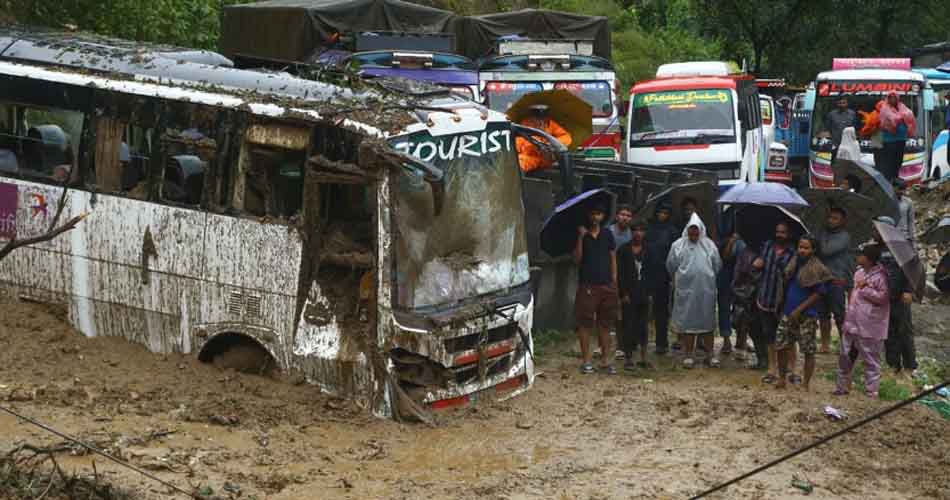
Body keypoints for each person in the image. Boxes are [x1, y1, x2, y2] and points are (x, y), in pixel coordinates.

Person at [775, 236, 832, 391]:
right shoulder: (793, 264)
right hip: (788, 312)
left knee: (808, 349)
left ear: (813, 250)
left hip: (807, 315)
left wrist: (799, 310)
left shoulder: (817, 268)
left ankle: (806, 383)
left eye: (806, 248)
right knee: (781, 345)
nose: (802, 250)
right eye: (800, 247)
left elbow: (818, 294)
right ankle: (781, 379)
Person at [666, 213, 722, 368]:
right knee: (688, 324)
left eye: (696, 232)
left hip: (706, 291)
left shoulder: (709, 245)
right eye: (691, 232)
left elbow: (717, 265)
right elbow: (671, 265)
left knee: (708, 323)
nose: (694, 235)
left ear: (701, 231)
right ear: (687, 230)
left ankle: (710, 354)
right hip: (686, 290)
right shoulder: (677, 245)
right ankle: (688, 354)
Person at [835, 244, 890, 397]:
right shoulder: (858, 273)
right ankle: (841, 386)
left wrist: (865, 288)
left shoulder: (881, 276)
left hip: (870, 324)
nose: (857, 257)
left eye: (860, 255)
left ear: (868, 258)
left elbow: (883, 298)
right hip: (852, 321)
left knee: (871, 358)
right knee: (844, 354)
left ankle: (871, 391)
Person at [573, 204, 618, 374]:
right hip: (588, 285)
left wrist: (614, 281)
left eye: (598, 213)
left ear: (603, 216)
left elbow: (612, 258)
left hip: (606, 285)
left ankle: (606, 360)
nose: (595, 217)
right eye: (592, 213)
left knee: (605, 324)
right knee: (585, 323)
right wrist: (580, 237)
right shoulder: (582, 235)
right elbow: (577, 260)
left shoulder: (607, 234)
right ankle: (586, 360)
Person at [873, 217, 918, 375]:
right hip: (885, 296)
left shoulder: (902, 247)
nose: (874, 232)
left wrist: (908, 290)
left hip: (901, 296)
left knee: (904, 330)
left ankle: (909, 366)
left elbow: (913, 269)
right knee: (888, 331)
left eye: (877, 229)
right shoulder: (876, 249)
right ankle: (893, 365)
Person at [753, 222, 796, 383]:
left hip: (784, 301)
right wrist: (757, 263)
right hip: (765, 297)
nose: (780, 234)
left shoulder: (794, 252)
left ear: (789, 234)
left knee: (788, 336)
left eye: (783, 232)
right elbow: (759, 265)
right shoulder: (767, 246)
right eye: (778, 231)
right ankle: (772, 368)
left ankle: (792, 369)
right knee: (769, 335)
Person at [815, 206, 853, 354]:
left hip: (836, 280)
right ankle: (825, 344)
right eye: (829, 217)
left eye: (835, 218)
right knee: (822, 314)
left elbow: (825, 251)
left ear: (843, 221)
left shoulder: (844, 236)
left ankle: (844, 344)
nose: (831, 221)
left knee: (839, 314)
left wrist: (821, 237)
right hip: (821, 279)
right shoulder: (823, 233)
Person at [644, 200, 677, 355]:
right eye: (659, 212)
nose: (661, 215)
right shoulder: (648, 228)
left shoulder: (672, 231)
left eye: (665, 213)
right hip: (646, 272)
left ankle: (661, 343)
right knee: (641, 308)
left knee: (661, 311)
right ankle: (640, 341)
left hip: (664, 275)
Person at [618, 222, 651, 370]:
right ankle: (628, 358)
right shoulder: (624, 250)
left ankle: (644, 357)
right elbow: (620, 274)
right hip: (629, 293)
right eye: (635, 230)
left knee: (643, 325)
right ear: (631, 232)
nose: (638, 233)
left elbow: (654, 271)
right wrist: (623, 293)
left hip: (644, 292)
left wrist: (651, 292)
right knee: (628, 325)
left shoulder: (649, 250)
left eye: (641, 230)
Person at [516, 104, 572, 173]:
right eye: (537, 118)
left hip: (544, 158)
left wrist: (552, 144)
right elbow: (518, 142)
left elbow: (566, 137)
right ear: (531, 117)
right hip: (528, 155)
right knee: (518, 161)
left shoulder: (551, 125)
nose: (540, 121)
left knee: (521, 162)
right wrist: (534, 147)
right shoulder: (524, 125)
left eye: (542, 118)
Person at [718, 221, 746, 354]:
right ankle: (726, 340)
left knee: (742, 308)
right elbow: (725, 256)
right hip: (726, 274)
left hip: (743, 276)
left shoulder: (748, 237)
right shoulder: (724, 232)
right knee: (724, 306)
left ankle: (742, 340)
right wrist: (732, 241)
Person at [731, 239, 760, 363]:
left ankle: (761, 353)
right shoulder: (744, 251)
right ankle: (740, 345)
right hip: (743, 290)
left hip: (759, 292)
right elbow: (739, 273)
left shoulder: (766, 250)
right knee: (741, 319)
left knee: (756, 323)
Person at [878, 92, 917, 181]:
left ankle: (896, 177)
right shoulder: (885, 108)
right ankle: (889, 178)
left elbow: (909, 114)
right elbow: (888, 120)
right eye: (890, 97)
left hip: (901, 138)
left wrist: (903, 117)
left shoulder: (902, 106)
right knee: (890, 160)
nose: (892, 99)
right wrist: (900, 117)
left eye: (894, 97)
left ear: (897, 98)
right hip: (889, 139)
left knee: (898, 159)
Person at [893, 179, 916, 243]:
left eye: (903, 189)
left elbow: (911, 221)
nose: (901, 191)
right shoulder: (888, 201)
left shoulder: (908, 202)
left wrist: (911, 236)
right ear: (893, 187)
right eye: (899, 189)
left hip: (904, 236)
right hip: (889, 235)